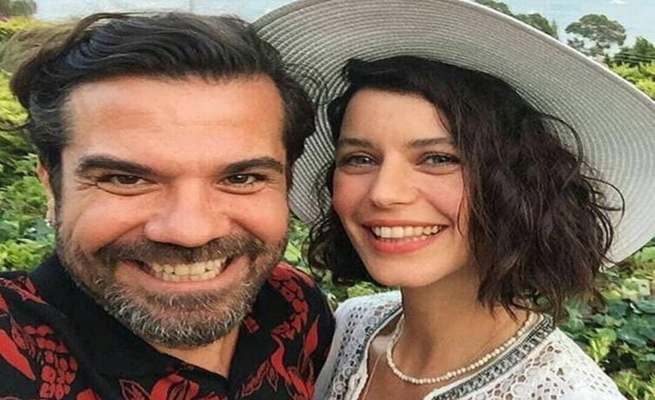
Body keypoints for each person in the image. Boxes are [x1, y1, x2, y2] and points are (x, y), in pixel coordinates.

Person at [255, 0, 655, 399]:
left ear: (517, 183)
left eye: (438, 159)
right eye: (360, 159)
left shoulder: (564, 391)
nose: (384, 193)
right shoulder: (350, 327)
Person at [0, 12, 334, 400]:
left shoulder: (293, 305)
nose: (190, 232)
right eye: (126, 179)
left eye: (241, 178)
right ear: (52, 187)